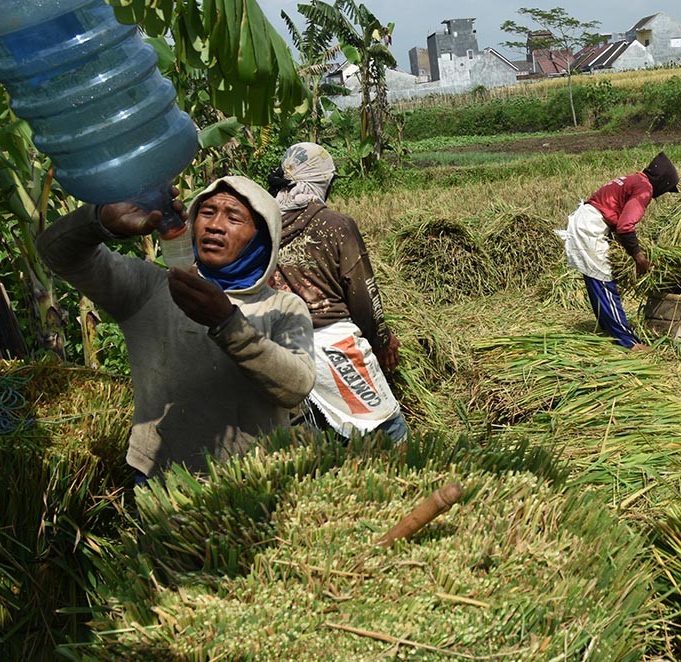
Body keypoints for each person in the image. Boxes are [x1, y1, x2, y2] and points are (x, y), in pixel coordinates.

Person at [38, 176, 315, 481]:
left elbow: (296, 387)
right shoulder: (149, 289)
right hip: (159, 475)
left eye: (234, 216)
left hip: (250, 478)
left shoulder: (283, 307)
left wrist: (228, 324)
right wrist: (100, 220)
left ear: (262, 236)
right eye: (207, 213)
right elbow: (56, 253)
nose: (215, 225)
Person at [267, 142, 408, 445]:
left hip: (277, 348)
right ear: (323, 183)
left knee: (315, 442)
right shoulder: (335, 226)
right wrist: (381, 341)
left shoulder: (262, 225)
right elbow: (363, 294)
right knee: (390, 432)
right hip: (331, 343)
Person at [558, 151, 680, 351]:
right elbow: (625, 226)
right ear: (662, 182)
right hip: (590, 228)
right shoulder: (644, 188)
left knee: (596, 283)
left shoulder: (634, 178)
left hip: (585, 221)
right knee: (604, 283)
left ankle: (609, 328)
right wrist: (639, 258)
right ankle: (629, 343)